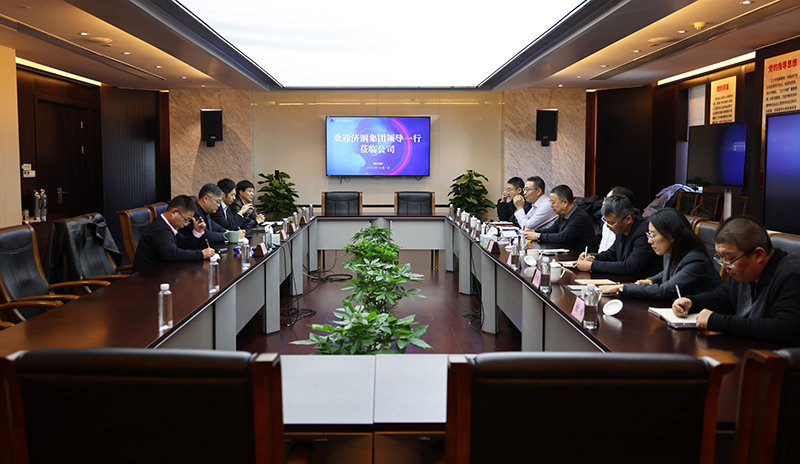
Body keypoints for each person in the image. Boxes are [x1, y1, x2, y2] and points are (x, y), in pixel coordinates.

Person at [672, 216, 800, 344]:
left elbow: (786, 328)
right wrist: (692, 302)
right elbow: (723, 298)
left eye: (729, 258)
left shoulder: (790, 274)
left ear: (758, 254)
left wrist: (716, 322)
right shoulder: (745, 271)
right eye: (720, 257)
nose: (724, 265)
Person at [600, 207, 720, 299]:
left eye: (653, 235)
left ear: (671, 236)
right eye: (649, 235)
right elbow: (668, 272)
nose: (649, 241)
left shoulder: (696, 260)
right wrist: (651, 280)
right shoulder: (672, 251)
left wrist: (622, 288)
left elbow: (666, 291)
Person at [574, 195, 661, 279]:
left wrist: (592, 266)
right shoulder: (621, 228)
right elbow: (612, 253)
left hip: (643, 283)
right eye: (606, 221)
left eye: (611, 223)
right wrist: (593, 258)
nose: (608, 226)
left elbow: (630, 267)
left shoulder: (643, 233)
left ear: (628, 219)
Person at [131, 195, 215, 274]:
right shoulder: (160, 229)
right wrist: (201, 254)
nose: (186, 224)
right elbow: (170, 254)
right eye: (186, 219)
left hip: (161, 272)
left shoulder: (168, 225)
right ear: (174, 212)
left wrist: (197, 232)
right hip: (146, 277)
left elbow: (183, 245)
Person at [525, 184, 597, 253]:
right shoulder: (563, 215)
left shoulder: (579, 217)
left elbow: (562, 237)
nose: (551, 205)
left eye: (553, 203)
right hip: (568, 254)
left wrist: (538, 236)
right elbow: (551, 230)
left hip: (582, 257)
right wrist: (534, 231)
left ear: (565, 203)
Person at [598, 186, 636, 252]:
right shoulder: (606, 223)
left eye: (608, 200)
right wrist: (594, 257)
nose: (603, 203)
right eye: (605, 199)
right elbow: (605, 251)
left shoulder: (623, 228)